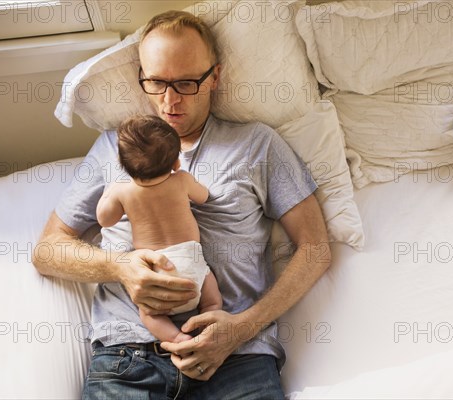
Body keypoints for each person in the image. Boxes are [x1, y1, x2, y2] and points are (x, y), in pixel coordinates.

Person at [33, 9, 331, 400]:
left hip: (236, 358)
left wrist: (243, 326)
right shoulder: (114, 147)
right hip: (128, 358)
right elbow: (48, 250)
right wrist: (121, 267)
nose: (169, 101)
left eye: (187, 83)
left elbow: (316, 248)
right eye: (156, 82)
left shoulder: (258, 145)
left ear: (215, 78)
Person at [96, 114, 222, 343]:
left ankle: (176, 338)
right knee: (212, 298)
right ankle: (206, 323)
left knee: (148, 313)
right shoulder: (181, 180)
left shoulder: (123, 190)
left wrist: (110, 190)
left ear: (123, 166)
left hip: (156, 271)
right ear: (176, 163)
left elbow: (105, 219)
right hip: (192, 266)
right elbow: (203, 196)